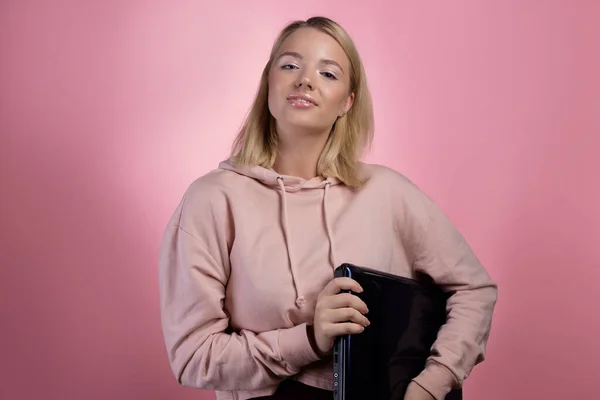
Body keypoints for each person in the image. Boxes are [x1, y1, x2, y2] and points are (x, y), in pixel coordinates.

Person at [158, 16, 498, 400]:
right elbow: (192, 356)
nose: (305, 80)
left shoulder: (388, 193)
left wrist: (432, 384)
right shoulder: (211, 200)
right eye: (289, 65)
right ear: (268, 84)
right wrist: (309, 338)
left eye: (329, 73)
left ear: (347, 102)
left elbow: (475, 288)